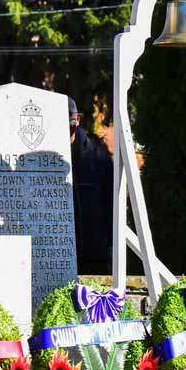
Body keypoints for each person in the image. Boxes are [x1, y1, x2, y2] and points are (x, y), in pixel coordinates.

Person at [68, 97, 114, 275]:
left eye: (70, 118)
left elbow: (111, 203)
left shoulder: (98, 157)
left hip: (94, 254)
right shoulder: (44, 158)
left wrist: (110, 248)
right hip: (58, 252)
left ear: (77, 119)